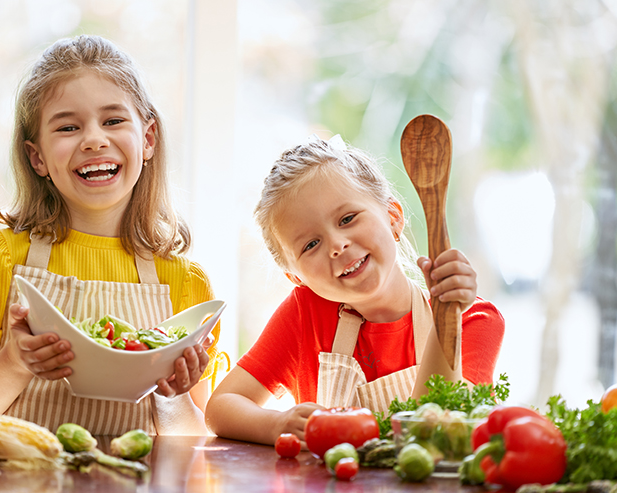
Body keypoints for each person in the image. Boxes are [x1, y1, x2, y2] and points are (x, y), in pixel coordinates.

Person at [0, 35, 223, 436]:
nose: (94, 139)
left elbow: (193, 447)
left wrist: (174, 392)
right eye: (68, 127)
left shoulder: (185, 282)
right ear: (38, 158)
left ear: (148, 139)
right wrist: (13, 363)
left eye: (113, 120)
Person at [205, 135, 504, 446]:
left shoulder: (473, 319)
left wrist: (446, 316)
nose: (337, 245)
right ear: (295, 277)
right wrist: (277, 423)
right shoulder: (304, 314)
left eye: (347, 219)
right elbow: (221, 407)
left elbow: (436, 436)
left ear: (393, 218)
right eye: (311, 244)